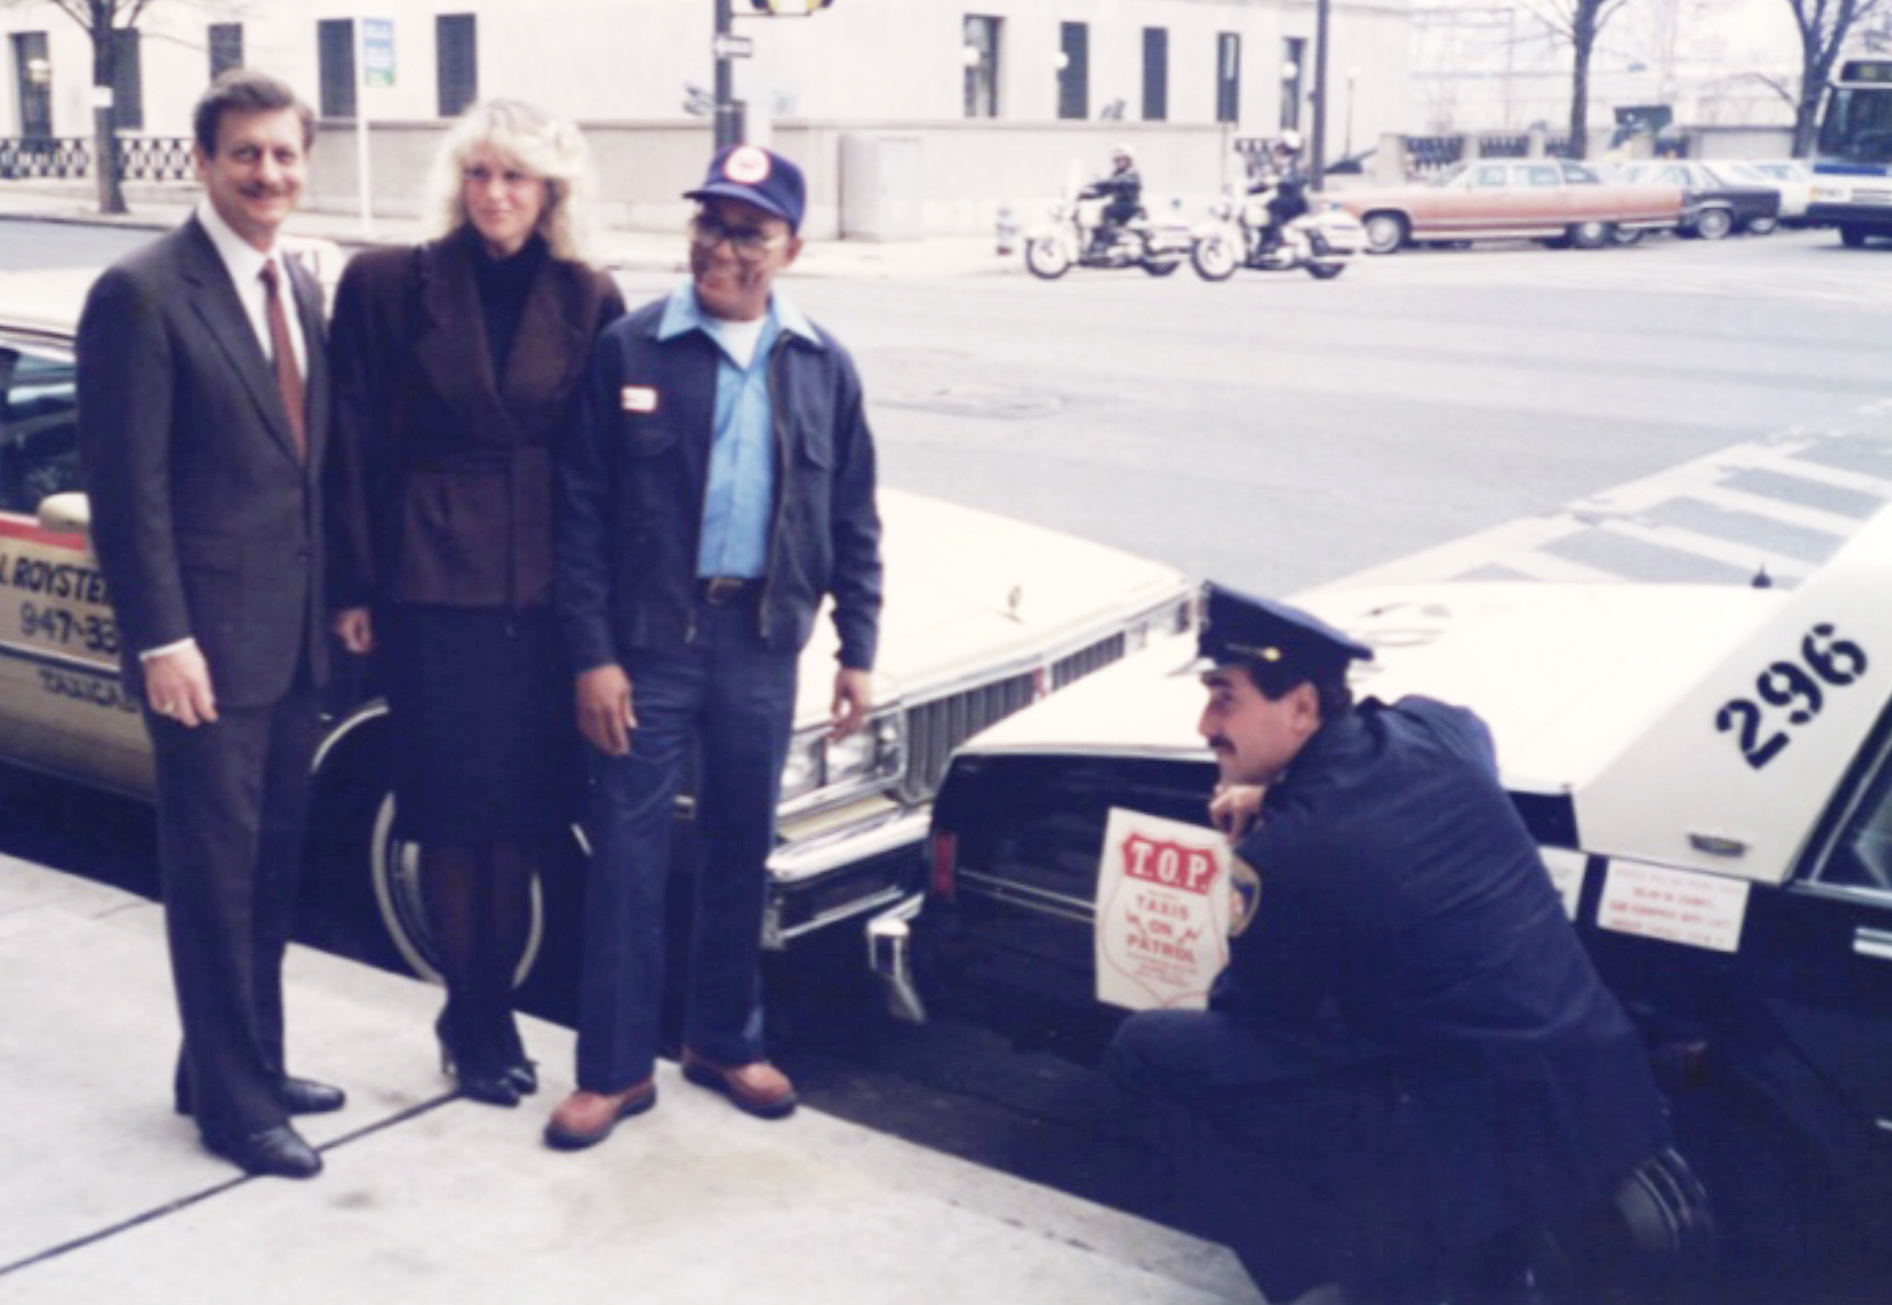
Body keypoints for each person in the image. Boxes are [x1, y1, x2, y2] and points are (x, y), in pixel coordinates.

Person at [1104, 584, 1672, 1302]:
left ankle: (1329, 1276)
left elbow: (1253, 1018)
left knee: (1149, 1050)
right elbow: (1472, 724)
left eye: (1226, 698)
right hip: (1600, 1096)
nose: (1204, 723)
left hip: (1484, 1142)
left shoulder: (1295, 851)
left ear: (1303, 706)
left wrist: (1271, 830)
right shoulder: (1432, 740)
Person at [546, 143, 882, 1149]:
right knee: (628, 860)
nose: (721, 248)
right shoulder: (633, 348)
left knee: (740, 849)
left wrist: (855, 647)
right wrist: (592, 656)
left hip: (761, 644)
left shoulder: (821, 364)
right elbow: (580, 515)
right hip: (650, 647)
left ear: (789, 247)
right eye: (709, 224)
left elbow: (852, 517)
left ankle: (722, 1040)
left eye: (747, 231)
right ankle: (611, 1071)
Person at [326, 101, 624, 1108]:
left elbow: (605, 466)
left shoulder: (588, 297)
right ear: (457, 181)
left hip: (543, 593)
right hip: (430, 585)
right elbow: (352, 441)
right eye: (481, 174)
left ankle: (482, 1007)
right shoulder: (389, 285)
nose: (495, 194)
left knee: (526, 818)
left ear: (550, 194)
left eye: (518, 178)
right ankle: (476, 1012)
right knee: (453, 816)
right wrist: (355, 584)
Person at [75, 70, 340, 1180]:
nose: (267, 174)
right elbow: (125, 491)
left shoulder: (300, 288)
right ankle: (232, 1110)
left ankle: (240, 1062)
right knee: (214, 876)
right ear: (202, 161)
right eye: (245, 154)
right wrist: (162, 640)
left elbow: (302, 472)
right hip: (204, 651)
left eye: (283, 154)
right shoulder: (140, 293)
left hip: (290, 639)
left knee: (272, 866)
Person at [1252, 130, 1309, 254]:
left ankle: (1277, 240)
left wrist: (1280, 180)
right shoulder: (1278, 166)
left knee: (1274, 204)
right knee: (1261, 208)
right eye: (1280, 149)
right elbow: (1267, 183)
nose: (1280, 152)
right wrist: (1250, 189)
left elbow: (1300, 179)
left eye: (1283, 149)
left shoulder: (1298, 165)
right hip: (1285, 200)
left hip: (1296, 201)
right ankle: (1264, 242)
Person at [1083, 143, 1143, 256]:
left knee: (1107, 210)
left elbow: (1117, 182)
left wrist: (1102, 183)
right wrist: (1088, 191)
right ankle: (1095, 247)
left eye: (1123, 159)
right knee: (1095, 217)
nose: (1120, 161)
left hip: (1130, 205)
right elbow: (1107, 188)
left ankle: (1109, 241)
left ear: (1129, 160)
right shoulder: (1117, 173)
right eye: (1118, 159)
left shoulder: (1132, 173)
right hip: (1120, 205)